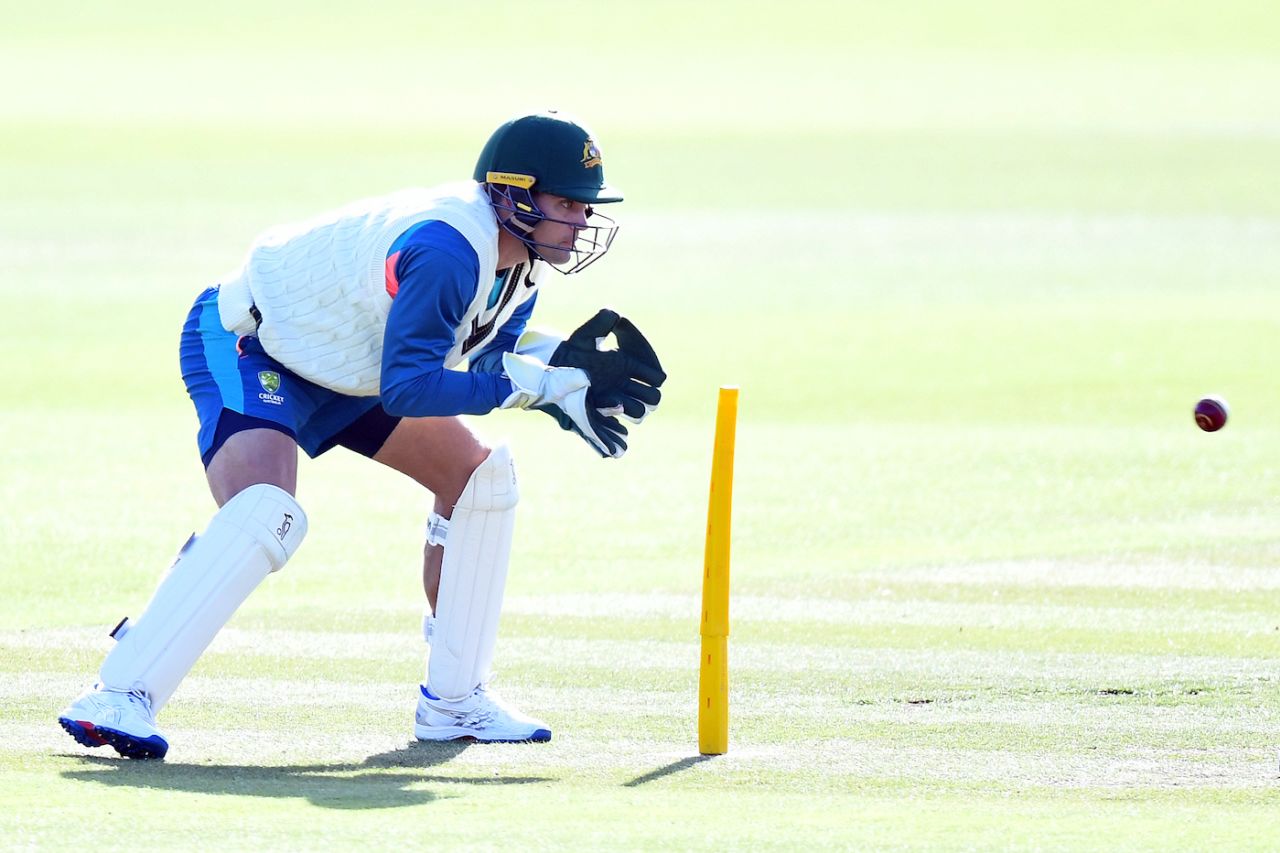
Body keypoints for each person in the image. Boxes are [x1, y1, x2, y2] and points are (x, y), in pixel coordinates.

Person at [57, 110, 666, 760]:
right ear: (514, 195)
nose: (581, 221)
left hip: (352, 366)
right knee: (269, 512)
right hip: (253, 342)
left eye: (584, 206)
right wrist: (537, 387)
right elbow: (410, 388)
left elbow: (486, 363)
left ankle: (454, 700)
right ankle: (118, 691)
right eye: (567, 203)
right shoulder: (449, 249)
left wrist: (556, 374)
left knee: (480, 480)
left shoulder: (522, 266)